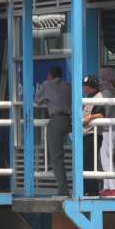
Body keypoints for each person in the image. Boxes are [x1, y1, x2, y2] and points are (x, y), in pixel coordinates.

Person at [35, 66, 72, 197]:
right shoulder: (68, 85)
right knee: (78, 155)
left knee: (57, 158)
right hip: (69, 121)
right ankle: (81, 187)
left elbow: (37, 100)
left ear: (50, 75)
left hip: (56, 121)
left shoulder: (46, 84)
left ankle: (63, 190)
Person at [98, 68, 115, 198]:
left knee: (106, 157)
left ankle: (113, 188)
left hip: (110, 129)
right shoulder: (110, 90)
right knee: (104, 157)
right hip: (110, 129)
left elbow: (104, 111)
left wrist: (93, 117)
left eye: (101, 77)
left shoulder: (106, 92)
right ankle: (107, 187)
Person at [82, 75, 104, 197]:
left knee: (89, 163)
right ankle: (88, 189)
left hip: (93, 134)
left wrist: (90, 117)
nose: (84, 88)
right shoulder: (89, 97)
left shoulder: (99, 97)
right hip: (86, 134)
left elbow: (102, 114)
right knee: (85, 163)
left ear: (91, 87)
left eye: (86, 86)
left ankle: (92, 190)